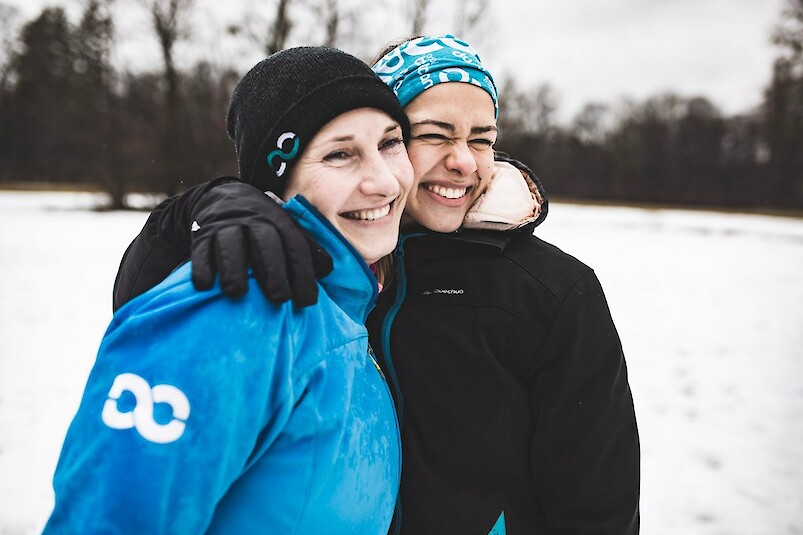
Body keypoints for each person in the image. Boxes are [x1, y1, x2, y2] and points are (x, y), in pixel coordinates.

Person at [112, 35, 641, 534]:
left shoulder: (550, 292)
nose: (462, 161)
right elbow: (149, 332)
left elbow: (597, 508)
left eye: (482, 140)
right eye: (434, 134)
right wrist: (190, 213)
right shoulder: (323, 268)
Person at [44, 46, 415, 534]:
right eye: (340, 154)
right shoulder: (234, 307)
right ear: (278, 187)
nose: (385, 181)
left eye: (390, 143)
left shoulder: (349, 308)